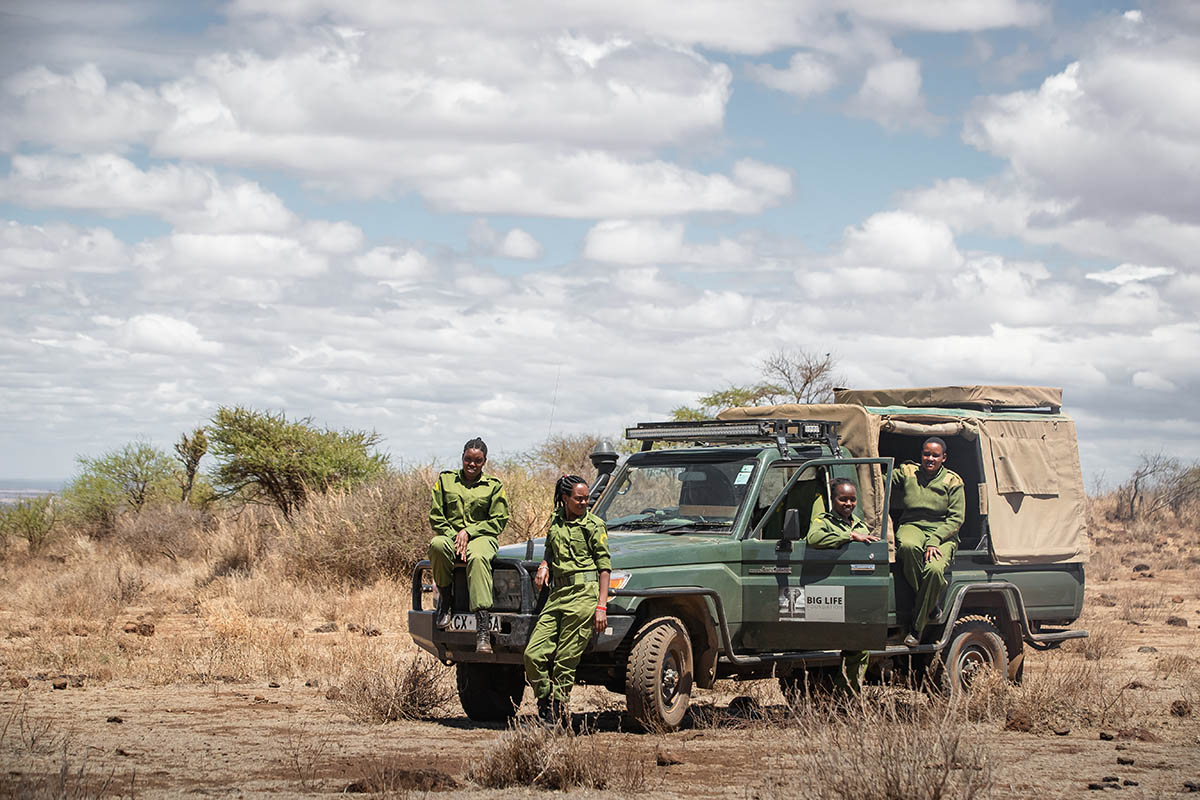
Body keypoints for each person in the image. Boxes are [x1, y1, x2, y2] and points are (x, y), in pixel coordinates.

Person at [524, 475, 611, 725]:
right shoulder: (556, 521)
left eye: (587, 498)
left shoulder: (594, 526)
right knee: (533, 654)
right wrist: (544, 564)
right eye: (579, 499)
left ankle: (557, 711)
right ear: (565, 499)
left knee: (565, 659)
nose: (585, 503)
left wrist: (601, 607)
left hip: (583, 594)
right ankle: (544, 700)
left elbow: (605, 568)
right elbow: (551, 550)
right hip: (557, 596)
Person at [428, 437, 509, 654]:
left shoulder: (493, 486)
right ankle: (445, 600)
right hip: (450, 535)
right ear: (462, 458)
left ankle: (482, 629)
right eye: (468, 459)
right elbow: (436, 516)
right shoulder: (446, 481)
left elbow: (498, 521)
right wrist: (456, 535)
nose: (472, 464)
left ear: (484, 462)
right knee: (436, 545)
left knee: (478, 557)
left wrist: (469, 532)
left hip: (482, 536)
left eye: (477, 461)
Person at [807, 477, 880, 694]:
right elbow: (814, 538)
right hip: (828, 586)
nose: (848, 504)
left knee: (859, 644)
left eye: (852, 500)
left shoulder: (860, 523)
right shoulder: (824, 521)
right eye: (843, 499)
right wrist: (848, 536)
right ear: (833, 500)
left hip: (855, 590)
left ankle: (847, 694)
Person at [891, 437, 965, 647]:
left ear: (943, 458)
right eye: (926, 454)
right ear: (921, 454)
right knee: (907, 546)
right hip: (912, 525)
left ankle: (917, 627)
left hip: (942, 532)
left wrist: (934, 540)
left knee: (933, 570)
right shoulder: (908, 472)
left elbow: (956, 519)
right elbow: (881, 479)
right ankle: (931, 603)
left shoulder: (953, 481)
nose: (930, 459)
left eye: (935, 455)